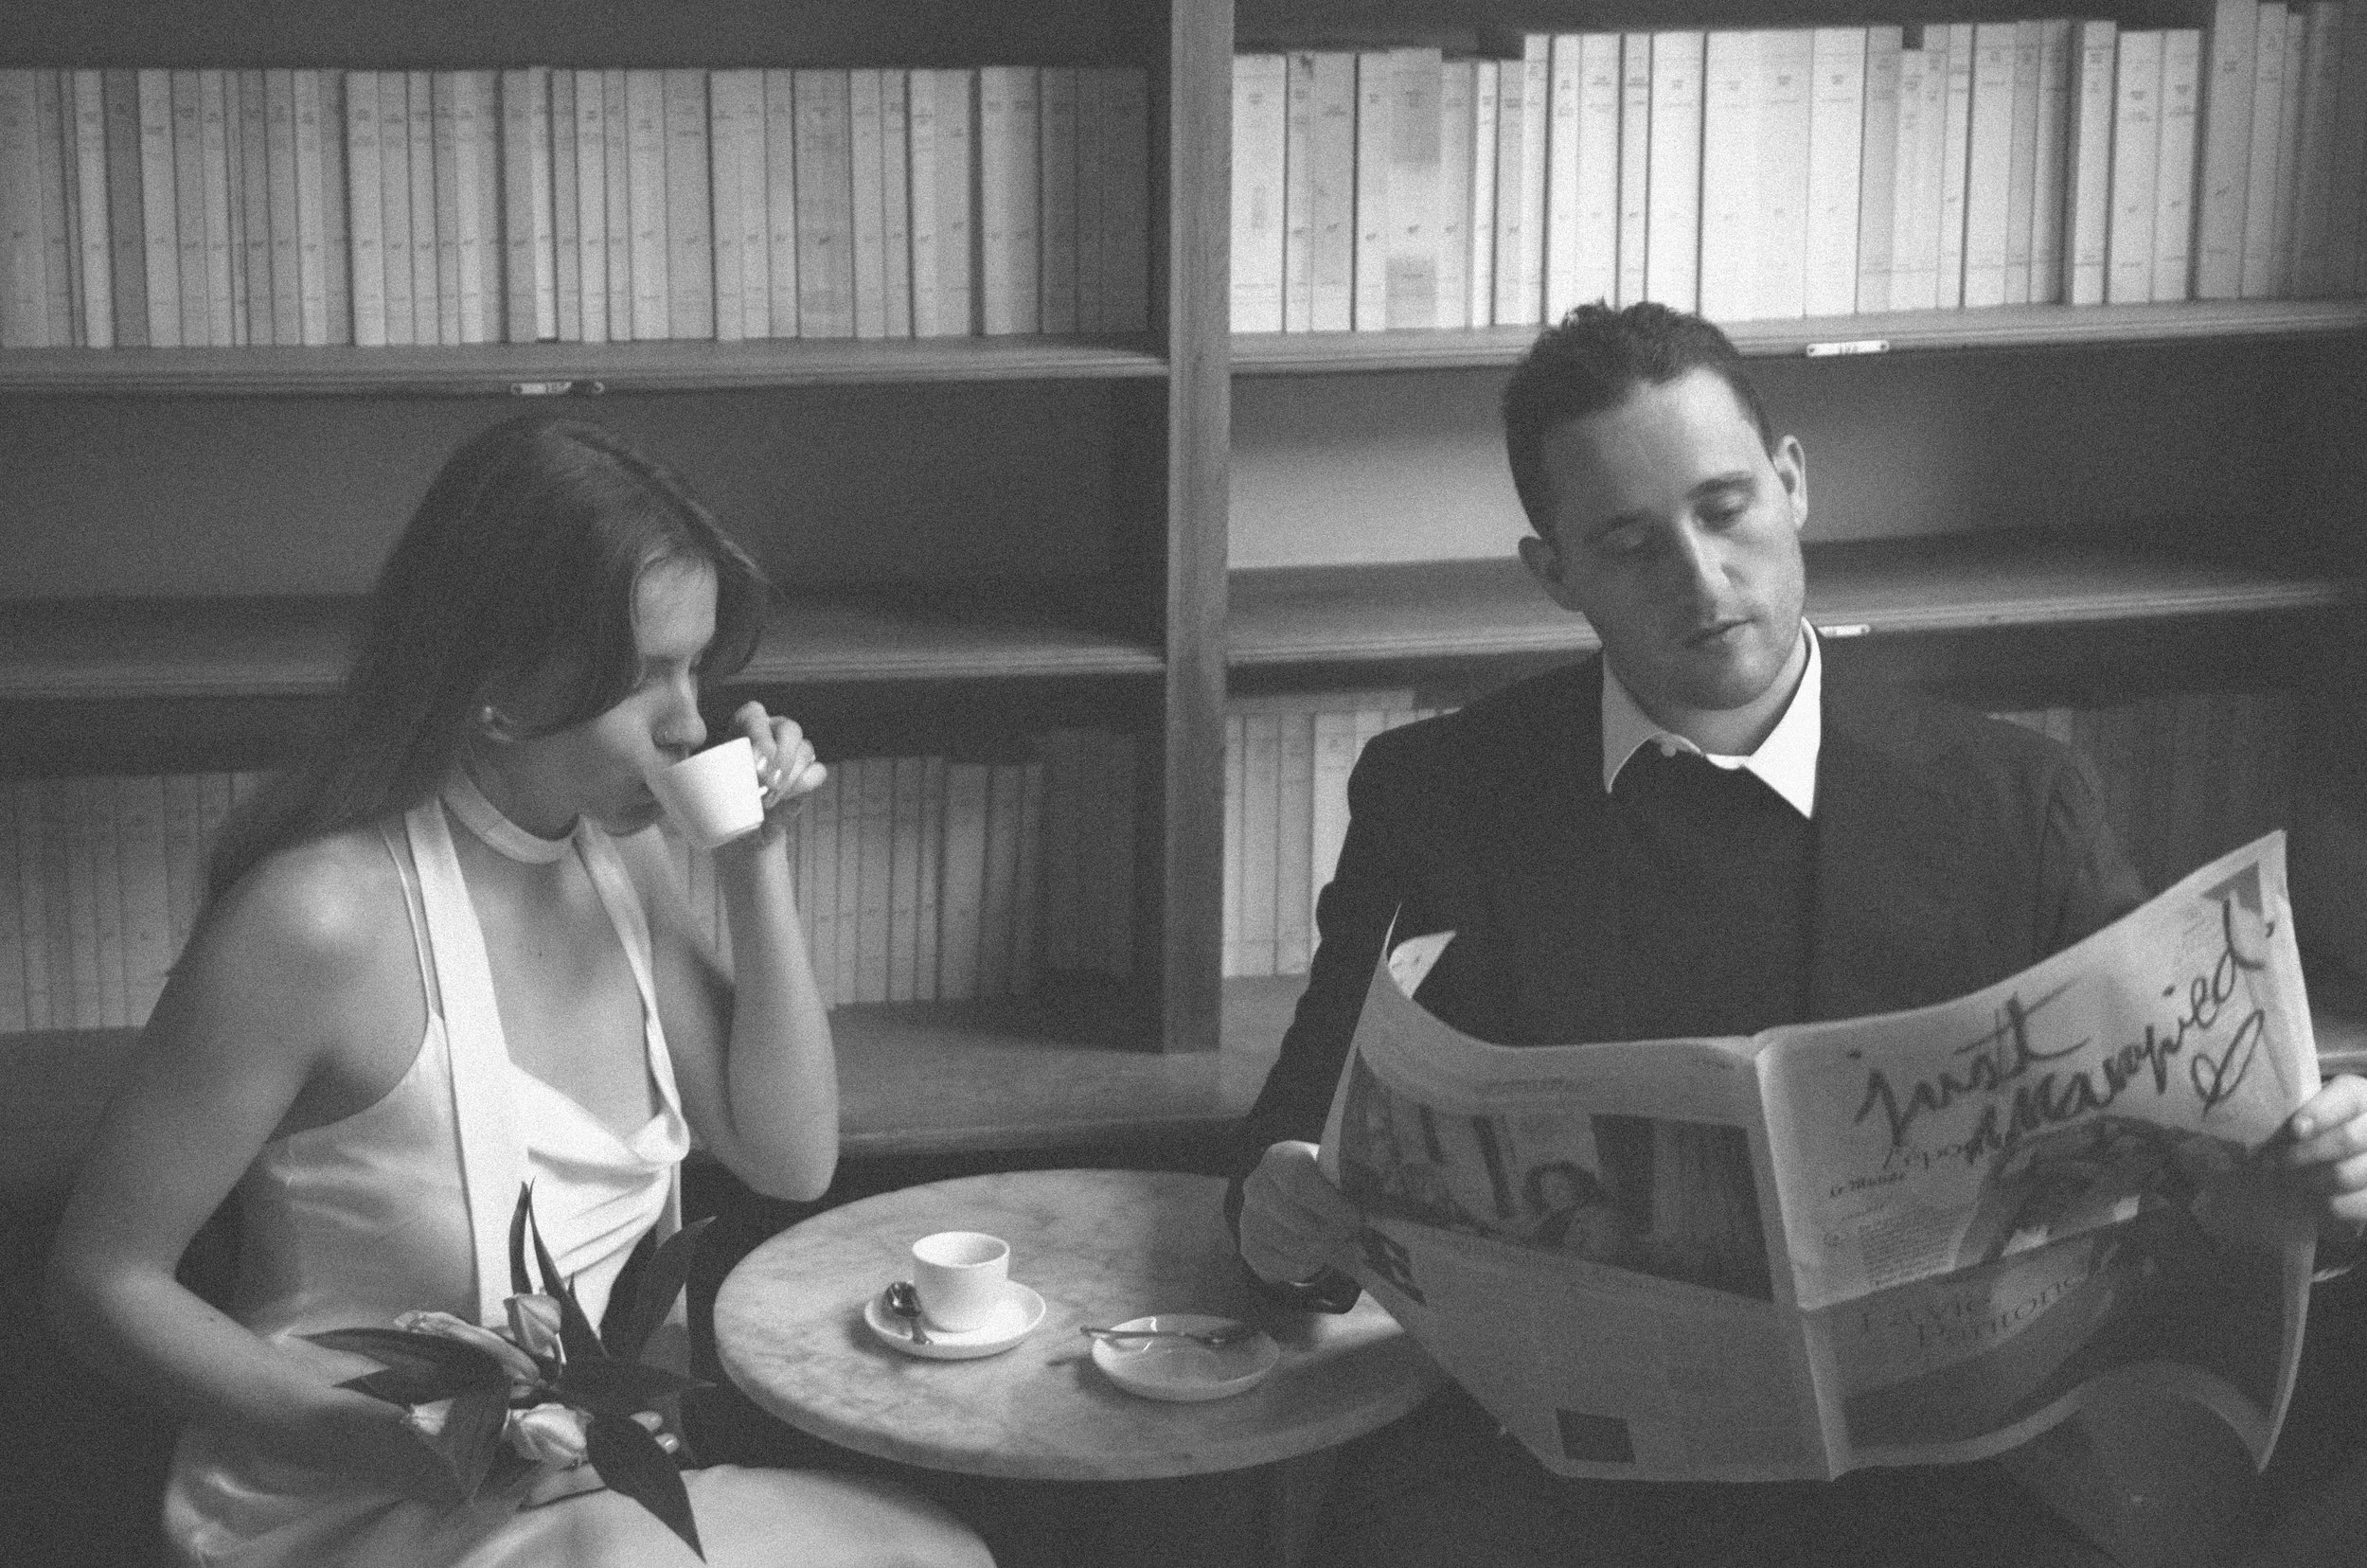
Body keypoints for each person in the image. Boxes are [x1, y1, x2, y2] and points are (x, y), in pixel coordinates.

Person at [1230, 302, 2367, 1568]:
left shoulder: (2015, 796)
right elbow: (1296, 1127)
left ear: (1792, 483)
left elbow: (2181, 1157)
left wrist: (2305, 1181)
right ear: (1556, 572)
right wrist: (1281, 1209)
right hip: (1548, 1462)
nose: (1703, 580)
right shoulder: (1440, 791)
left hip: (1947, 1468)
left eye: (1724, 510)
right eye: (1629, 542)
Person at [45, 417, 993, 1568]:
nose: (692, 719)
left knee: (934, 1552)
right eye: (646, 674)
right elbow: (101, 1280)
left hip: (591, 1503)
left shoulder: (618, 861)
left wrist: (757, 862)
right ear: (497, 694)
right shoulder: (316, 921)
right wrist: (396, 1445)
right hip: (354, 1504)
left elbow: (790, 1158)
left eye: (697, 664)